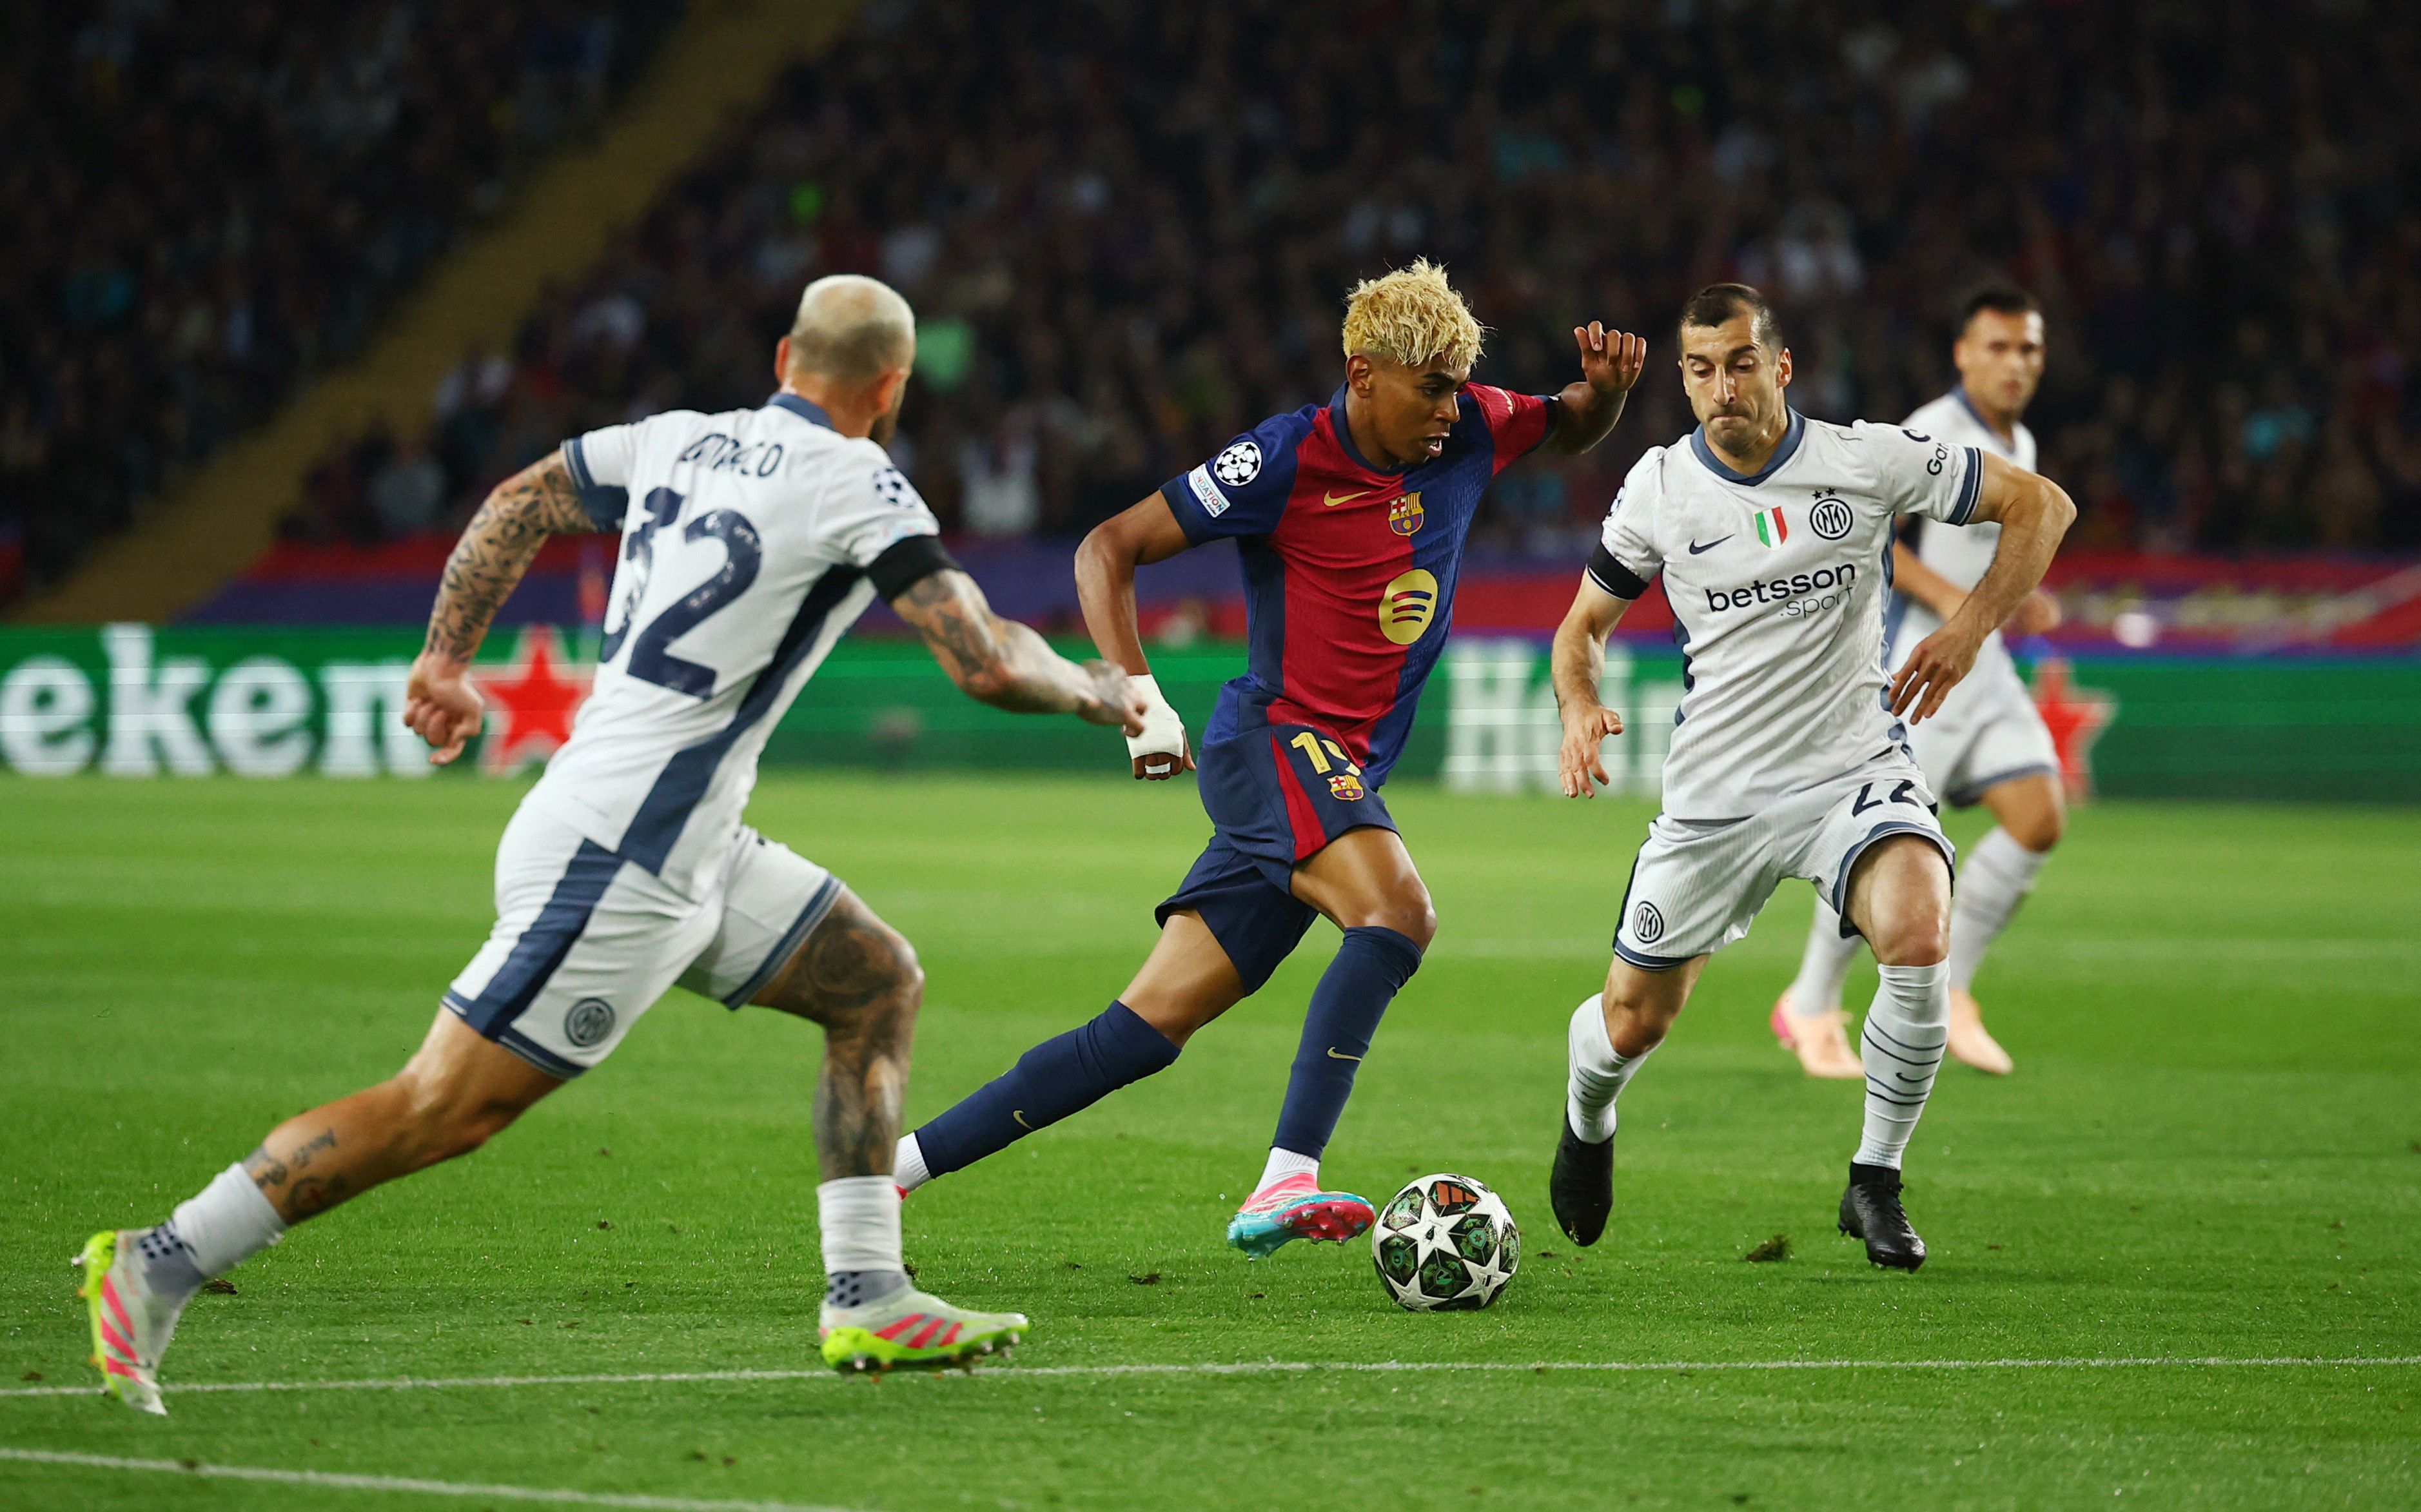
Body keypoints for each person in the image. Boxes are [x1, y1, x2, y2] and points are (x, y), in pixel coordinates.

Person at [76, 274, 1147, 1412]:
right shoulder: (858, 481)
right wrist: (1098, 692)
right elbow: (981, 657)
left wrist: (445, 659)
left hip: (675, 839)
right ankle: (160, 1260)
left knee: (875, 979)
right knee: (444, 1107)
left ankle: (869, 1295)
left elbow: (516, 503)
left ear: (785, 356)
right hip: (620, 859)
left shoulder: (674, 440)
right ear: (889, 389)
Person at [892, 260, 1647, 1257]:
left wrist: (1608, 396)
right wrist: (1137, 694)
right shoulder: (1282, 459)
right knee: (1397, 912)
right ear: (1362, 372)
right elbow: (1105, 547)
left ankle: (886, 1170)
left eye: (1458, 388)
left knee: (1138, 1033)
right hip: (1274, 742)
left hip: (1336, 773)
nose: (1448, 410)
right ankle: (1286, 1177)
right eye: (1428, 388)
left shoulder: (1465, 425)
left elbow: (1564, 421)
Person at [1547, 284, 2073, 1270]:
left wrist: (1964, 630)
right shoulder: (1659, 488)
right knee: (1629, 1022)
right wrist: (1578, 702)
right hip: (1715, 800)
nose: (1721, 388)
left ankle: (1873, 1178)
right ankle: (1587, 1118)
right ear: (1683, 379)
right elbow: (1580, 629)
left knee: (1919, 926)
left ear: (1778, 367)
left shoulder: (1863, 458)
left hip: (1850, 774)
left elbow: (2039, 505)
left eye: (1739, 363)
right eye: (1700, 370)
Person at [1772, 287, 2064, 1078]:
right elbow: (1873, 537)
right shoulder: (1937, 429)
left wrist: (2009, 597)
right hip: (1922, 665)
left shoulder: (2021, 440)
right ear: (1963, 353)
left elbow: (1990, 553)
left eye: (2027, 349)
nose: (2014, 363)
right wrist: (1953, 605)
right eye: (1997, 347)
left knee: (2038, 817)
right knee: (1883, 846)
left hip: (1984, 664)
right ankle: (1807, 1003)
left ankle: (1954, 991)